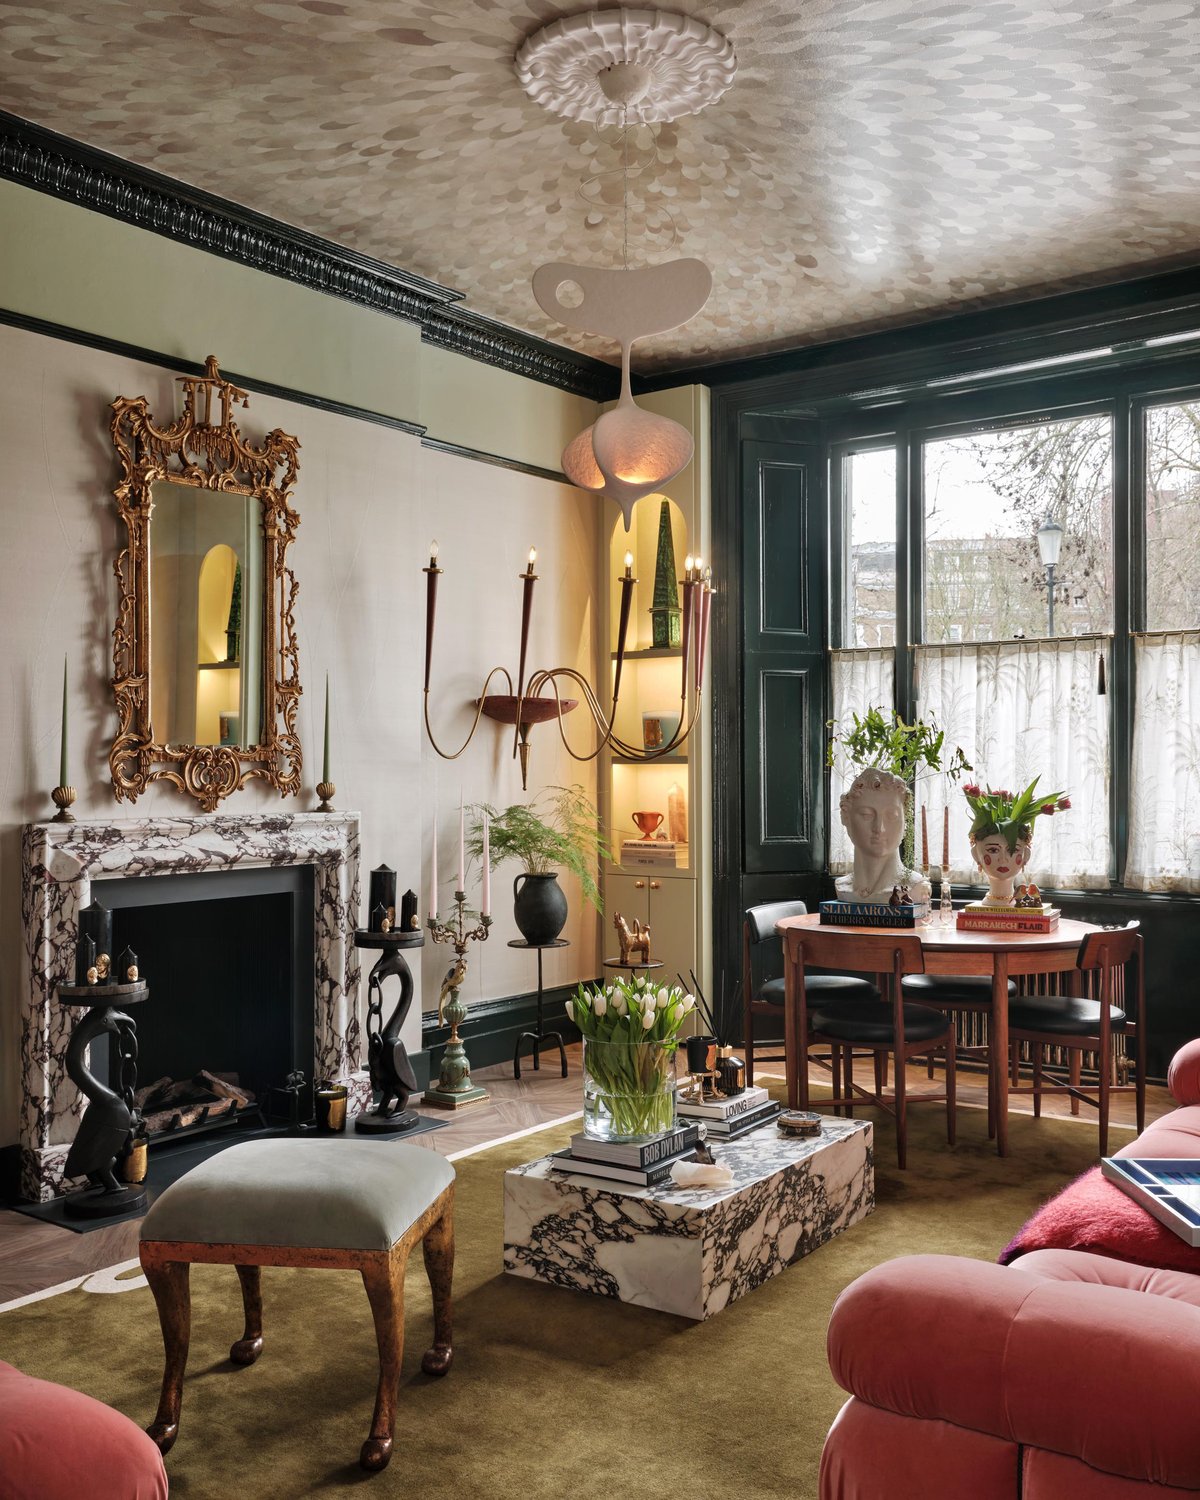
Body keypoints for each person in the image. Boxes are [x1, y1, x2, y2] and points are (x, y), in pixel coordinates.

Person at [835, 769, 931, 906]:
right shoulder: (842, 886)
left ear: (906, 821)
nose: (879, 828)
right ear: (845, 817)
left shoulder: (915, 887)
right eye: (866, 815)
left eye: (892, 816)